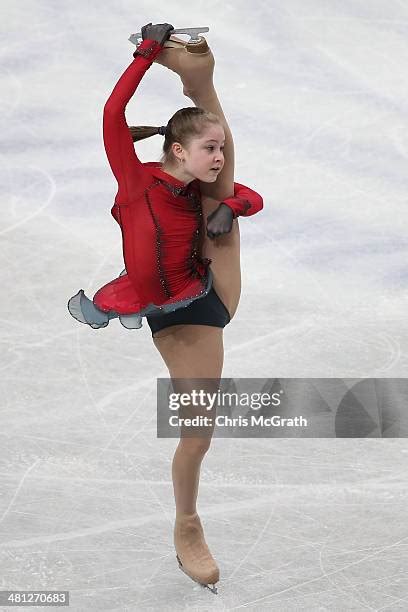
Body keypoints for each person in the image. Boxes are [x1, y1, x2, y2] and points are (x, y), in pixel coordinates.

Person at [67, 23, 263, 594]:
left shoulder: (201, 186)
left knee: (220, 203)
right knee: (196, 433)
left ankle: (201, 83)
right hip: (177, 309)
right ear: (176, 149)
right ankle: (188, 522)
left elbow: (249, 195)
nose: (218, 154)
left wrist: (237, 206)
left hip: (213, 284)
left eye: (221, 148)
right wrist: (147, 53)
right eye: (209, 148)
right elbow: (111, 114)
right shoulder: (136, 181)